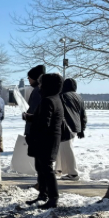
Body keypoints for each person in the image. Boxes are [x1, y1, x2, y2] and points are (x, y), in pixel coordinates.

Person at [24, 73, 64, 208]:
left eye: (41, 84)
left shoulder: (48, 100)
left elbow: (44, 123)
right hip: (48, 139)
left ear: (47, 85)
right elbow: (45, 118)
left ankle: (53, 198)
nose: (39, 86)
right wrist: (31, 117)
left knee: (46, 169)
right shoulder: (54, 98)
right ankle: (43, 194)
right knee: (40, 168)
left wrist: (32, 132)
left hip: (45, 140)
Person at [57, 78, 87, 181]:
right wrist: (82, 129)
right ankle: (61, 170)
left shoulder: (62, 96)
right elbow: (83, 115)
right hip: (75, 127)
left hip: (66, 127)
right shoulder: (79, 97)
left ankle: (73, 173)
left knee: (67, 149)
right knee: (64, 148)